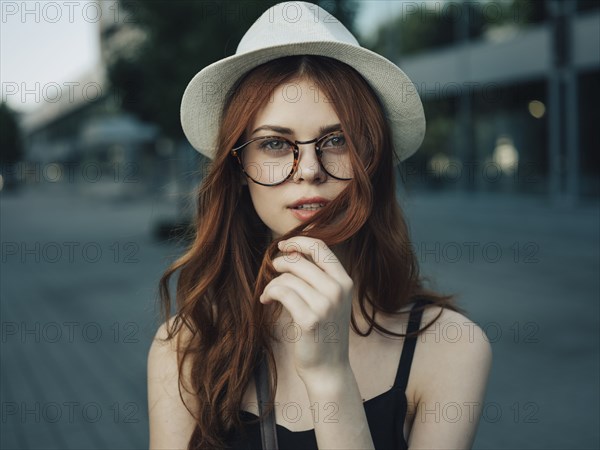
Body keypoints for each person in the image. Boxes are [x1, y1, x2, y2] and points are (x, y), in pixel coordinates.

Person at [147, 2, 492, 449]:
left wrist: (331, 378)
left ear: (372, 159)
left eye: (336, 140)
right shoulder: (186, 346)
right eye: (274, 143)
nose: (309, 169)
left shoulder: (450, 347)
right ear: (238, 169)